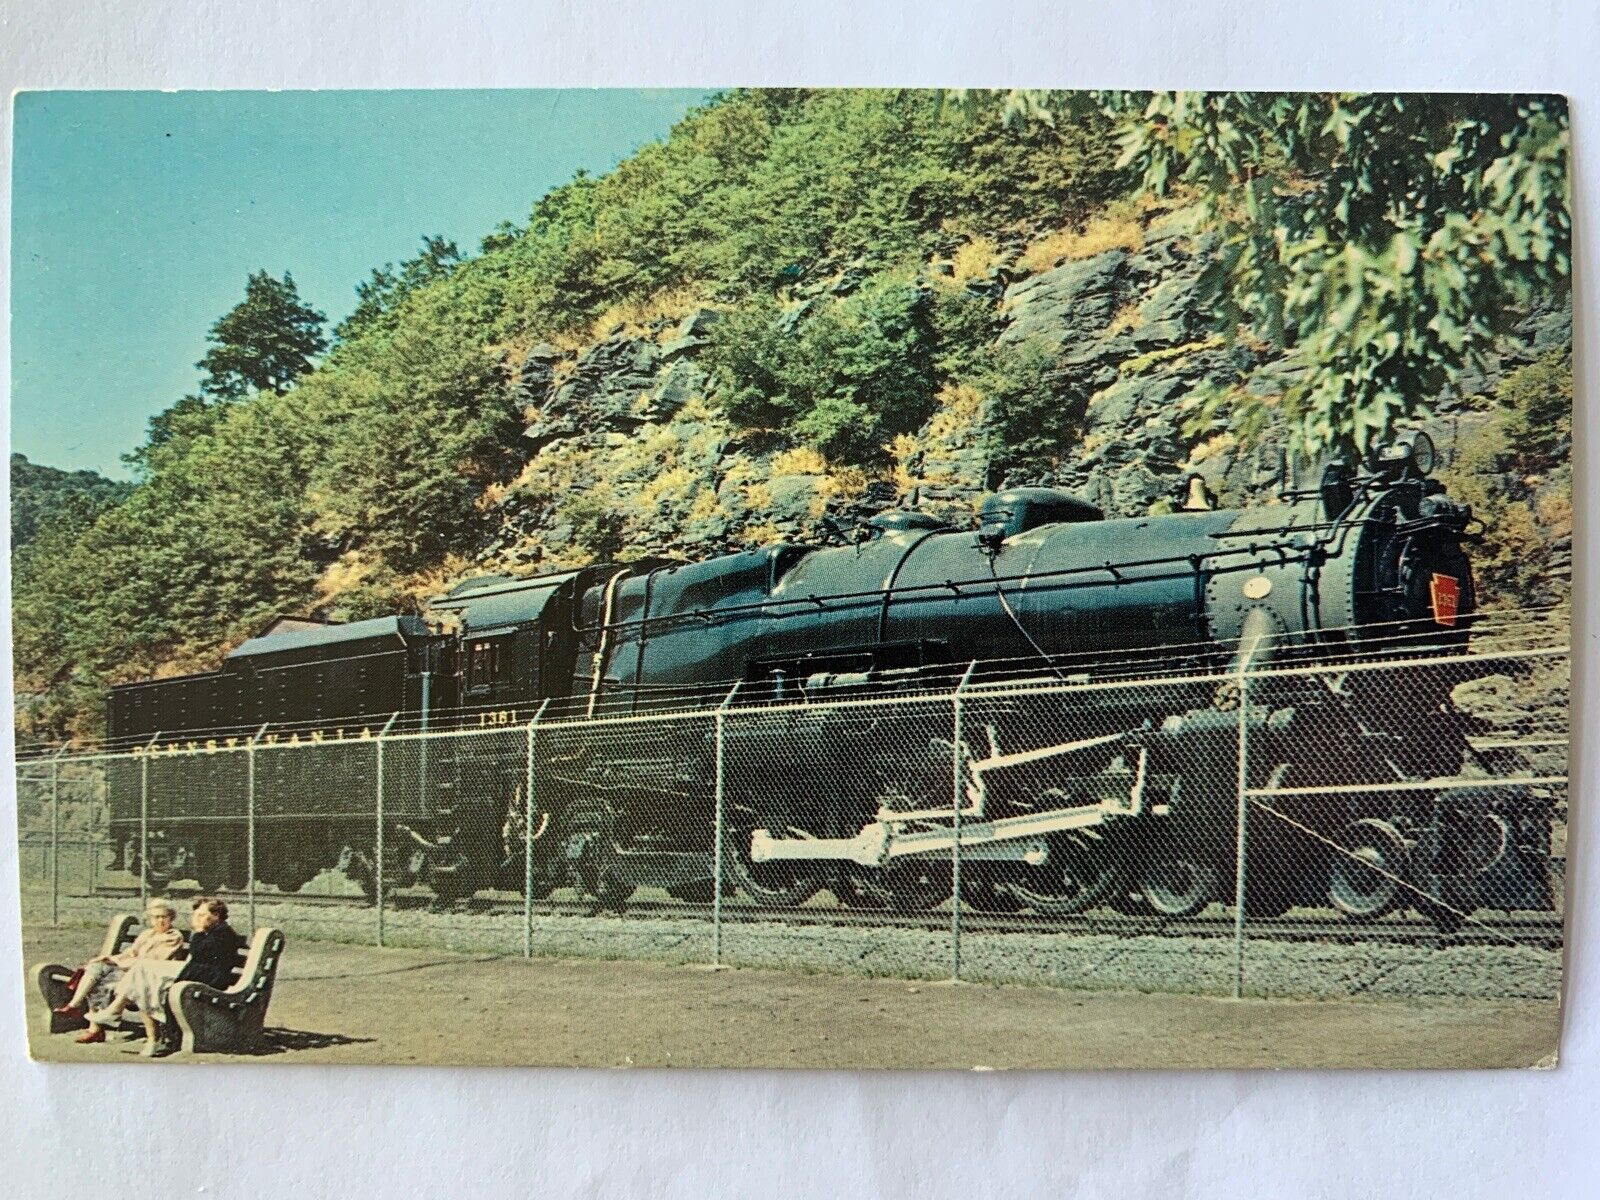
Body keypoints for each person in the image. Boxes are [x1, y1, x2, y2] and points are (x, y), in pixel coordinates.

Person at [87, 895, 245, 1056]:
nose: (197, 918)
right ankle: (121, 1015)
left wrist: (198, 931)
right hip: (196, 971)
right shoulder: (214, 930)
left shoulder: (224, 933)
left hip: (209, 976)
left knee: (144, 975)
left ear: (216, 916)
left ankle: (119, 1015)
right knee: (143, 973)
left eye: (201, 915)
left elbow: (198, 954)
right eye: (196, 914)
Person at [57, 899, 185, 1044]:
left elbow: (151, 962)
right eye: (156, 917)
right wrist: (110, 958)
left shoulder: (173, 936)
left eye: (164, 917)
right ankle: (74, 1006)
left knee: (101, 982)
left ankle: (95, 1029)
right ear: (150, 919)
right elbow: (131, 953)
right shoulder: (147, 934)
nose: (160, 921)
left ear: (171, 918)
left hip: (149, 976)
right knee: (97, 966)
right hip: (131, 970)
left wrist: (119, 962)